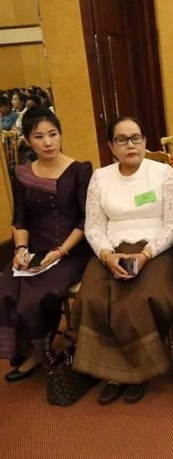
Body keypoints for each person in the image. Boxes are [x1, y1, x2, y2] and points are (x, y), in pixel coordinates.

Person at [73, 116, 173, 405]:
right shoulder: (100, 178)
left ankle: (136, 374)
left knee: (135, 300)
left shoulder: (163, 173)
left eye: (136, 138)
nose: (130, 145)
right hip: (111, 249)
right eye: (121, 140)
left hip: (157, 250)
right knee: (93, 298)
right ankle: (113, 373)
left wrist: (146, 254)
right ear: (111, 146)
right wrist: (107, 255)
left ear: (145, 141)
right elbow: (93, 226)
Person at [0, 108, 92, 381]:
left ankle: (40, 353)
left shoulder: (79, 170)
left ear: (61, 135)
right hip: (34, 250)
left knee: (35, 297)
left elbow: (85, 220)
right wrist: (20, 250)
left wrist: (60, 251)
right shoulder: (22, 174)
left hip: (71, 250)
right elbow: (20, 219)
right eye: (39, 137)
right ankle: (27, 349)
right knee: (5, 290)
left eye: (53, 134)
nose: (48, 142)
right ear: (28, 141)